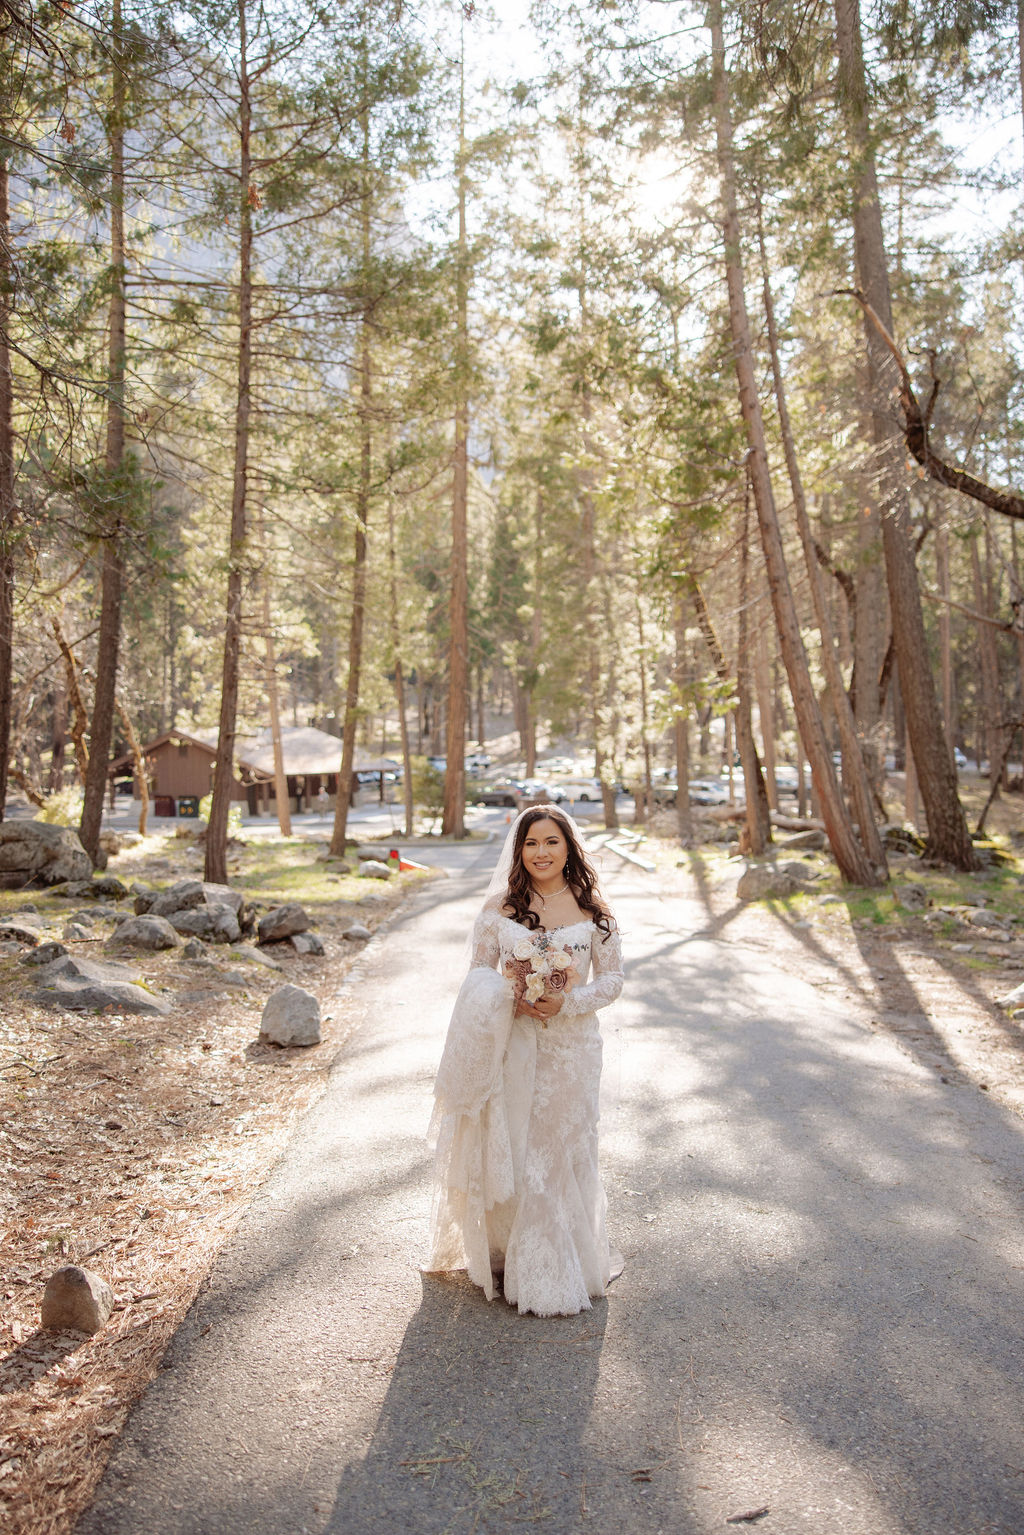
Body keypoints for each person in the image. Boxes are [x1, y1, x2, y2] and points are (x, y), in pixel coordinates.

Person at [425, 804, 624, 1317]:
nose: (541, 852)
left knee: (562, 1146)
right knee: (521, 1143)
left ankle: (563, 1263)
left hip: (573, 1048)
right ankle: (510, 1252)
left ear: (568, 847)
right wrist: (506, 994)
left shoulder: (593, 910)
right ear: (519, 850)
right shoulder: (501, 908)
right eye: (531, 844)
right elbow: (476, 972)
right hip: (513, 1044)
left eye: (551, 842)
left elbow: (613, 980)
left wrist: (569, 1002)